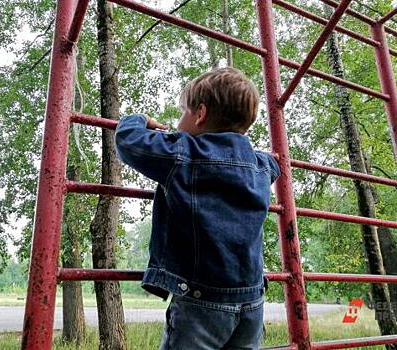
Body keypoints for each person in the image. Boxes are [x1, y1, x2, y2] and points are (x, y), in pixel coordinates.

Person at [115, 67, 280, 349]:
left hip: (201, 302)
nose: (178, 122)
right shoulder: (260, 165)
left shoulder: (183, 154)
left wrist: (139, 119)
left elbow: (128, 141)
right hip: (252, 301)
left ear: (200, 114)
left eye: (183, 113)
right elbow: (274, 163)